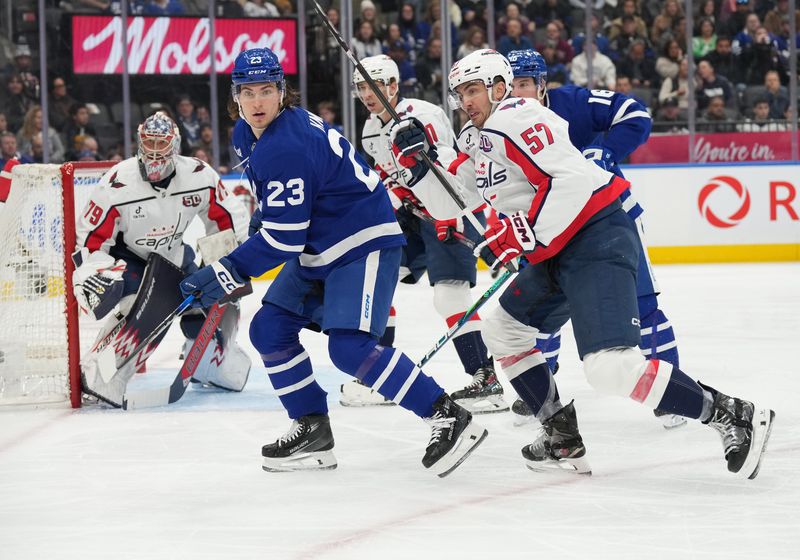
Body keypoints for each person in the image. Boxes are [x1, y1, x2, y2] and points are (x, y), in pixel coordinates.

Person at [390, 48, 774, 479]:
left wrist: (524, 230)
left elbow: (569, 181)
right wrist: (421, 165)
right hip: (556, 249)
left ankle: (731, 414)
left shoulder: (520, 117)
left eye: (474, 90)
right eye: (460, 93)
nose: (467, 101)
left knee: (610, 368)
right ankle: (561, 436)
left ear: (499, 87)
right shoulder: (477, 138)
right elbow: (457, 202)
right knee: (503, 329)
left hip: (595, 238)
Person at [179, 47, 487, 475]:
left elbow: (285, 238)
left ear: (282, 92)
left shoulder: (286, 144)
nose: (257, 102)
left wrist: (230, 267)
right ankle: (312, 429)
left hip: (361, 241)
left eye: (266, 91)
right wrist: (249, 245)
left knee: (349, 348)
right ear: (236, 96)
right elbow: (277, 210)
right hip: (318, 246)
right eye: (247, 93)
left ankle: (447, 414)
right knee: (270, 329)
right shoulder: (247, 135)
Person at [345, 54, 501, 413]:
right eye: (362, 87)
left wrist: (446, 214)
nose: (369, 94)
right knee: (379, 282)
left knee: (449, 296)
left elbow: (450, 164)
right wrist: (395, 198)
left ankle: (486, 378)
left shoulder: (424, 115)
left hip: (450, 211)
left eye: (376, 85)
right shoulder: (371, 129)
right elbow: (389, 175)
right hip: (413, 216)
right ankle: (378, 374)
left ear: (394, 86)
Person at [73, 112, 251, 407]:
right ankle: (102, 371)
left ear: (175, 145)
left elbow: (227, 222)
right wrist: (97, 274)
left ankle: (214, 363)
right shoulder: (116, 184)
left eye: (161, 143)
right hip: (130, 259)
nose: (155, 150)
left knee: (220, 301)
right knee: (142, 309)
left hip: (175, 258)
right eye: (149, 142)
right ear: (140, 142)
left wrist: (229, 265)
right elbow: (91, 241)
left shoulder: (198, 175)